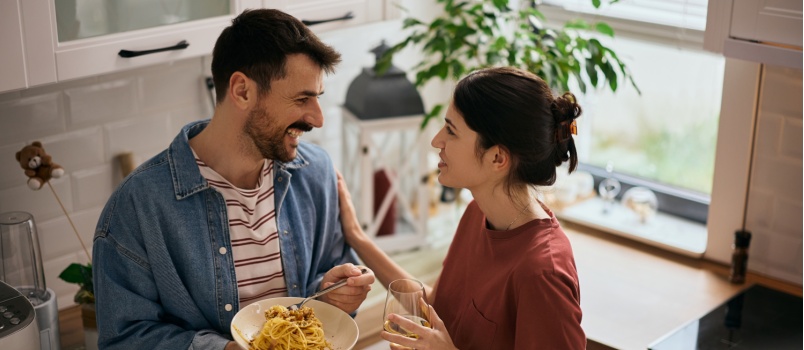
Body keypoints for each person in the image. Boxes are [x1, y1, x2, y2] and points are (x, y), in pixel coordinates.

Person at [92, 9, 374, 350]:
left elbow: (327, 283)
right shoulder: (138, 206)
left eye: (317, 98)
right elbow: (124, 339)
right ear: (242, 91)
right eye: (302, 99)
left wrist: (332, 295)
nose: (317, 118)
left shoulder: (316, 173)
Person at [337, 66, 585, 349]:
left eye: (451, 131)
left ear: (497, 158)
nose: (436, 141)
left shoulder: (542, 272)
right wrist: (356, 235)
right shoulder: (478, 213)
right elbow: (435, 308)